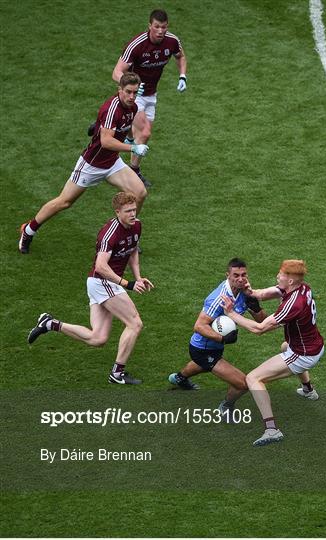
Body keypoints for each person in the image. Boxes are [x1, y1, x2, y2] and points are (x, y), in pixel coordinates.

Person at [27, 192, 154, 385]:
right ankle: (117, 373)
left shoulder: (136, 225)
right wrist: (127, 284)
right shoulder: (109, 233)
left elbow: (132, 250)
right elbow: (101, 267)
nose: (133, 214)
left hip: (103, 283)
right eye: (128, 211)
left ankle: (50, 324)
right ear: (117, 212)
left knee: (98, 338)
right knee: (135, 323)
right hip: (103, 282)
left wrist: (138, 277)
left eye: (134, 209)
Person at [18, 72, 148, 255]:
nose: (132, 96)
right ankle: (28, 230)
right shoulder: (112, 109)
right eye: (128, 92)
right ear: (119, 89)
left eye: (135, 92)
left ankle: (125, 235)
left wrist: (129, 140)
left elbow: (125, 130)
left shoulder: (132, 106)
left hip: (111, 163)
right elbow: (106, 142)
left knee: (140, 192)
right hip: (91, 165)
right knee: (64, 202)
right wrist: (133, 148)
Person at [222, 260, 324, 446]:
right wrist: (249, 291)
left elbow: (259, 329)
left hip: (304, 354)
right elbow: (262, 293)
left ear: (291, 281)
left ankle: (271, 429)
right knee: (285, 346)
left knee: (253, 378)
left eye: (281, 274)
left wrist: (231, 314)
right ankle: (309, 391)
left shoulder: (293, 305)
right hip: (312, 344)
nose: (278, 276)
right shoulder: (302, 287)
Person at [168, 258, 267, 421]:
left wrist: (255, 307)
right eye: (236, 275)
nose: (241, 279)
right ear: (227, 275)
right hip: (202, 348)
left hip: (214, 347)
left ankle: (179, 378)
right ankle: (225, 407)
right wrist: (222, 338)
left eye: (244, 275)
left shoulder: (245, 293)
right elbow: (199, 326)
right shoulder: (218, 298)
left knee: (204, 366)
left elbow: (262, 322)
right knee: (243, 383)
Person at [110, 8, 187, 185]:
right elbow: (117, 71)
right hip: (135, 95)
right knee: (145, 132)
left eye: (164, 27)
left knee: (139, 134)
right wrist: (132, 84)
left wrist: (183, 76)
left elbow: (181, 57)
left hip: (152, 94)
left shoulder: (172, 41)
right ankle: (134, 172)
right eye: (157, 27)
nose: (161, 31)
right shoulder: (137, 45)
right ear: (150, 26)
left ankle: (119, 128)